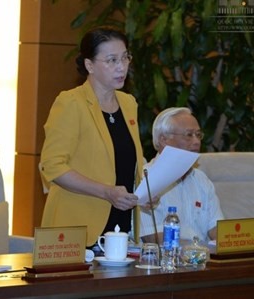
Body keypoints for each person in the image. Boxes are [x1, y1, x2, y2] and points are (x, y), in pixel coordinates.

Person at [39, 26, 144, 248]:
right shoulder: (71, 103)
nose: (121, 67)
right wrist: (107, 192)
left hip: (120, 229)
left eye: (125, 58)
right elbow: (52, 166)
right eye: (111, 60)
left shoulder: (128, 103)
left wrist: (144, 192)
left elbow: (128, 162)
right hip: (76, 229)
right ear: (89, 65)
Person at [140, 107, 224, 243]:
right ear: (163, 139)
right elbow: (154, 238)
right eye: (189, 135)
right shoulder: (145, 178)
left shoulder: (201, 179)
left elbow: (217, 229)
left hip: (201, 259)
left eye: (198, 135)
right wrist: (198, 252)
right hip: (165, 261)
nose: (197, 142)